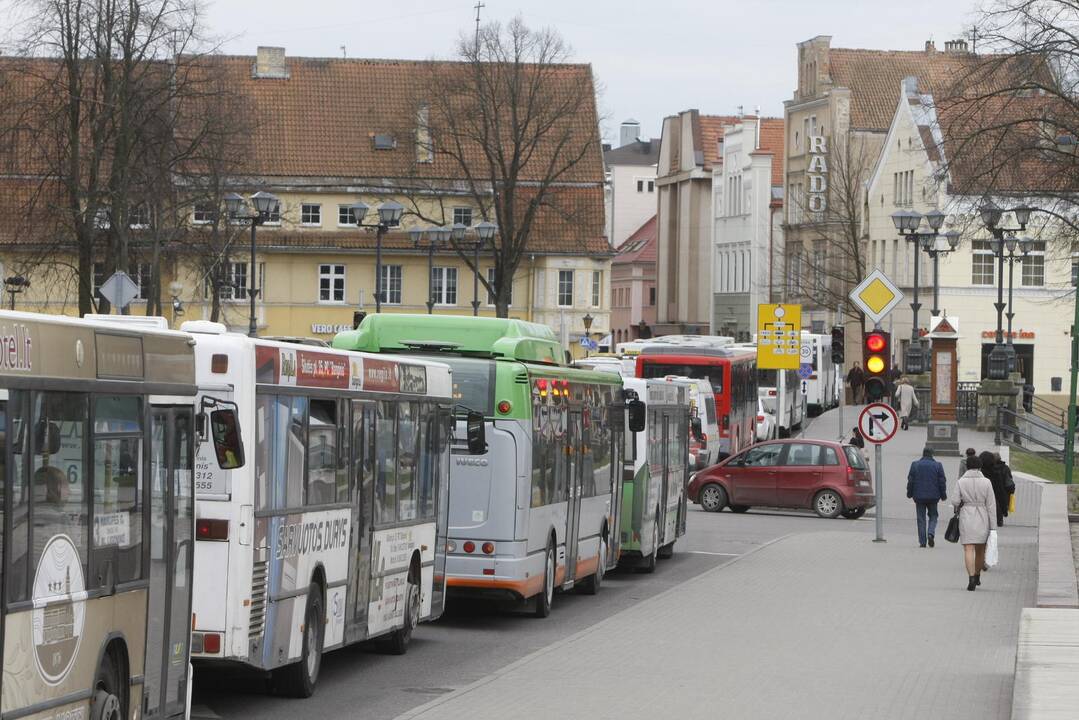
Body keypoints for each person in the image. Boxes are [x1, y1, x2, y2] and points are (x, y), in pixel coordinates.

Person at [952, 454, 997, 591]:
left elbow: (954, 501)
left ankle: (970, 577)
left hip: (967, 516)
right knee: (980, 549)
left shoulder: (961, 482)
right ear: (980, 466)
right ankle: (977, 575)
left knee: (968, 548)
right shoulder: (987, 482)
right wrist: (993, 527)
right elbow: (991, 505)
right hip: (983, 516)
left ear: (967, 466)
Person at [907, 446, 947, 548]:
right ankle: (931, 533)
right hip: (933, 497)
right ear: (932, 454)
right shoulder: (938, 465)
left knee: (921, 518)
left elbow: (911, 480)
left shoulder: (915, 465)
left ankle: (922, 542)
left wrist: (909, 493)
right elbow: (942, 482)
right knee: (933, 516)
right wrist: (943, 495)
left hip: (919, 496)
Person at [980, 450, 1011, 527]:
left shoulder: (978, 474)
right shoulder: (995, 474)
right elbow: (1000, 493)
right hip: (994, 506)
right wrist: (1004, 509)